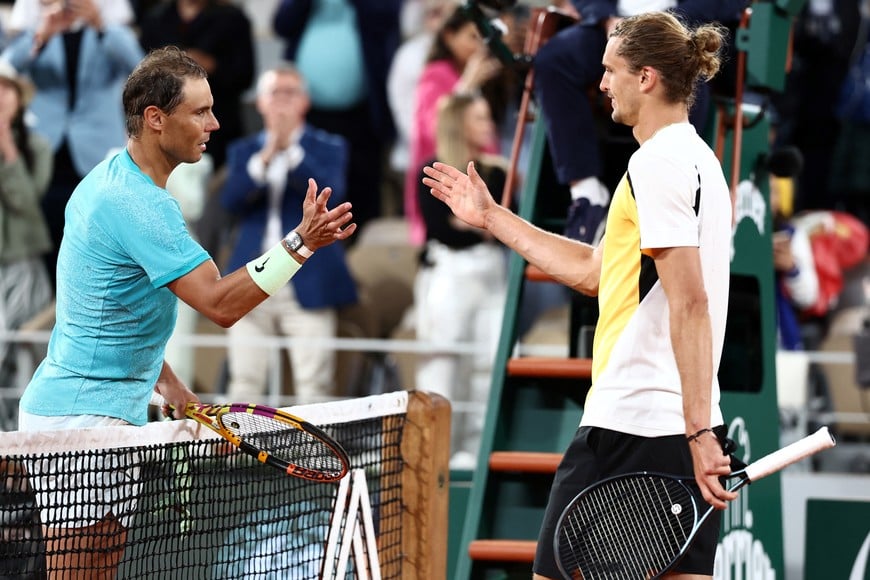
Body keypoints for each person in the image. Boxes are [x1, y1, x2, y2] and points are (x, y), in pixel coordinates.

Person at [16, 46, 355, 578]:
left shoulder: (110, 179)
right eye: (200, 112)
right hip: (81, 422)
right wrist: (301, 244)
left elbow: (111, 311)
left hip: (102, 413)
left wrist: (168, 382)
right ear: (156, 118)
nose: (214, 124)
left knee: (99, 567)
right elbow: (220, 304)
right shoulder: (137, 205)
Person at [422, 12, 737, 579]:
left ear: (646, 77)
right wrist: (493, 217)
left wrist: (698, 432)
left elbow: (690, 303)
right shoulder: (696, 161)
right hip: (674, 423)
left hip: (634, 423)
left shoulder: (659, 164)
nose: (601, 83)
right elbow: (597, 272)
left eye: (611, 70)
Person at [532, 0, 746, 244]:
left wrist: (661, 27)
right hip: (612, 27)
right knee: (553, 60)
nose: (604, 85)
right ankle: (588, 195)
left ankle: (667, 201)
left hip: (679, 29)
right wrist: (607, 19)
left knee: (687, 77)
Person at [220, 65, 358, 403]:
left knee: (314, 384)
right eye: (274, 93)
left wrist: (291, 151)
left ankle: (311, 442)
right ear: (260, 102)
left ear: (305, 102)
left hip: (308, 276)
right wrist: (268, 154)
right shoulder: (243, 150)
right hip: (253, 274)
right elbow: (230, 200)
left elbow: (333, 193)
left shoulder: (329, 146)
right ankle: (240, 441)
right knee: (244, 382)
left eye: (290, 92)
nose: (281, 101)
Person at [1, 0, 144, 289]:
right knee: (49, 227)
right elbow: (8, 68)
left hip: (96, 149)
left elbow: (139, 67)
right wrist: (42, 34)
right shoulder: (40, 30)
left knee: (95, 234)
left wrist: (100, 24)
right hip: (47, 148)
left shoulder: (109, 31)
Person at [415, 92, 508, 469]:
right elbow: (441, 230)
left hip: (490, 272)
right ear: (459, 123)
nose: (489, 125)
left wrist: (472, 223)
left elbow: (505, 226)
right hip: (448, 273)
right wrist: (482, 224)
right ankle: (432, 452)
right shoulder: (432, 169)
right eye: (479, 117)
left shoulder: (498, 172)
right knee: (442, 361)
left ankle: (475, 450)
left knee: (489, 361)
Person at [273, 0, 402, 239]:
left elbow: (388, 16)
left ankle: (357, 252)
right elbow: (282, 24)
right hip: (308, 114)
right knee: (309, 187)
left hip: (362, 114)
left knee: (362, 191)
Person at [405, 4, 503, 245]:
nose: (479, 46)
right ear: (449, 36)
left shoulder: (476, 74)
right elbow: (432, 128)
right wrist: (466, 85)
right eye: (471, 37)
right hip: (443, 172)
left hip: (476, 168)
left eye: (482, 38)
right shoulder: (436, 74)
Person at [0, 60, 53, 391]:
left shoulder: (38, 147)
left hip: (23, 264)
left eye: (7, 89)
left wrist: (7, 146)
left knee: (25, 349)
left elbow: (26, 201)